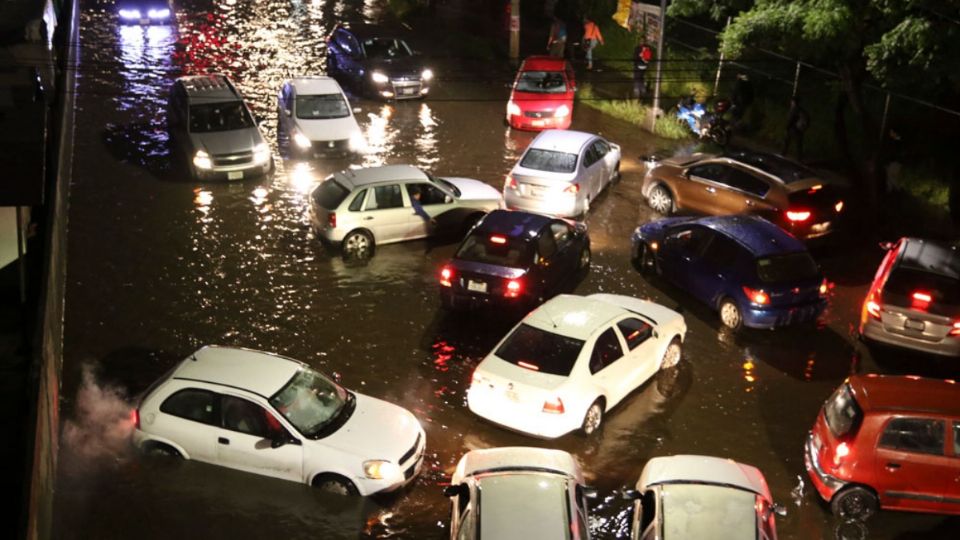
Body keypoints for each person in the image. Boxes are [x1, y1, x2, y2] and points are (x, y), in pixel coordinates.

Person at [782, 96, 809, 161]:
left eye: (791, 101)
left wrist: (787, 127)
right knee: (799, 143)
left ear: (794, 102)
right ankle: (799, 158)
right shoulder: (801, 109)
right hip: (799, 128)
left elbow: (791, 119)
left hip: (793, 128)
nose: (791, 103)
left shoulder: (794, 109)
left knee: (787, 141)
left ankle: (783, 154)